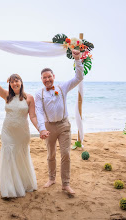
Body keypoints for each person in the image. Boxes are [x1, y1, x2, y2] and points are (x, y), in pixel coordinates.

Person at [0, 55, 38, 198]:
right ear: (10, 84)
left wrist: (41, 129)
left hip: (22, 134)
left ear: (21, 82)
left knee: (21, 157)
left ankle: (23, 183)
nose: (15, 83)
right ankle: (9, 188)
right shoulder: (6, 95)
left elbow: (33, 116)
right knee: (8, 157)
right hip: (8, 132)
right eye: (12, 81)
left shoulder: (29, 98)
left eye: (17, 81)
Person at [35, 49, 83, 195]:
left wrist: (77, 59)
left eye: (49, 76)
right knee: (50, 154)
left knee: (66, 154)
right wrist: (42, 129)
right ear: (41, 79)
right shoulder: (39, 93)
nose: (47, 79)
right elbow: (39, 111)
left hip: (63, 125)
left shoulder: (62, 87)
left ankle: (66, 184)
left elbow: (78, 77)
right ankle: (51, 178)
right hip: (49, 126)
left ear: (53, 76)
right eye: (44, 77)